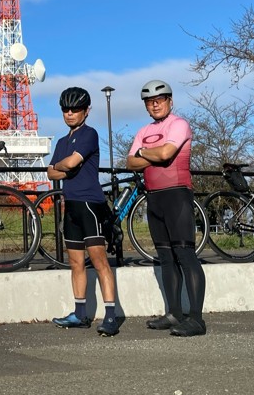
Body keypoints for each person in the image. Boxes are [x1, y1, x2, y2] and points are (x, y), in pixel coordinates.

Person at [126, 80, 206, 337]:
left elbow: (166, 154)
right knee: (166, 258)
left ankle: (196, 319)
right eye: (150, 101)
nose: (155, 103)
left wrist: (143, 151)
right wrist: (149, 152)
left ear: (170, 101)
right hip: (154, 198)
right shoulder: (143, 130)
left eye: (160, 99)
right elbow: (130, 163)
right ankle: (174, 313)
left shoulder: (179, 124)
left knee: (185, 255)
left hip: (178, 195)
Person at [48, 87, 120, 337]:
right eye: (65, 109)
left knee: (100, 261)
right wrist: (64, 166)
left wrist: (64, 165)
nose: (69, 113)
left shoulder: (90, 134)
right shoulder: (61, 141)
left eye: (75, 109)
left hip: (91, 204)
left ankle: (111, 316)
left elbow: (68, 164)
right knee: (76, 263)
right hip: (71, 206)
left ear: (86, 110)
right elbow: (51, 173)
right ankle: (79, 314)